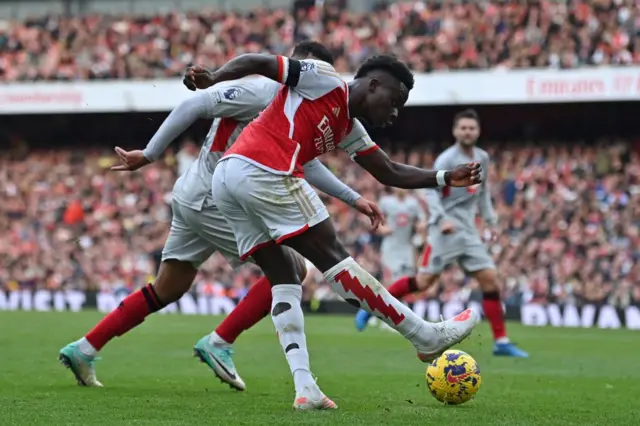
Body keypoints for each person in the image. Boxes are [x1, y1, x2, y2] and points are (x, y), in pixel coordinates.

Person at [58, 42, 384, 391]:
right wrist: (151, 153)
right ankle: (220, 342)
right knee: (292, 269)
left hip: (195, 192)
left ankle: (84, 348)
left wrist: (353, 198)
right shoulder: (265, 90)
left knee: (168, 287)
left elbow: (308, 164)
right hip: (214, 197)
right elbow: (196, 102)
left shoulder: (296, 107)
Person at [194, 52, 484, 409]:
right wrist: (217, 76)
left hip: (228, 179)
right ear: (373, 85)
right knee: (333, 257)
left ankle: (305, 389)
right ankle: (422, 334)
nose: (394, 114)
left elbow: (388, 170)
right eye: (394, 102)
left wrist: (442, 178)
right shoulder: (325, 79)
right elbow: (264, 62)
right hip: (264, 168)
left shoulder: (348, 127)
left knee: (285, 277)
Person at [355, 109, 529, 358]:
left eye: (472, 128)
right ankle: (373, 306)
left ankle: (501, 341)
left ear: (478, 131)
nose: (468, 132)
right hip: (444, 231)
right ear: (455, 131)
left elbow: (483, 192)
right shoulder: (447, 159)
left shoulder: (483, 157)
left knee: (491, 280)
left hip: (468, 232)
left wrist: (491, 221)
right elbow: (430, 190)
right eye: (463, 128)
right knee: (423, 283)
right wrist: (442, 219)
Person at [355, 187, 426, 331]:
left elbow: (422, 222)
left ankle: (389, 315)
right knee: (391, 281)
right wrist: (382, 230)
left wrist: (420, 228)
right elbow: (374, 220)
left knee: (404, 281)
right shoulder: (386, 202)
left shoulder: (413, 203)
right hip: (390, 248)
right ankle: (386, 316)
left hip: (406, 247)